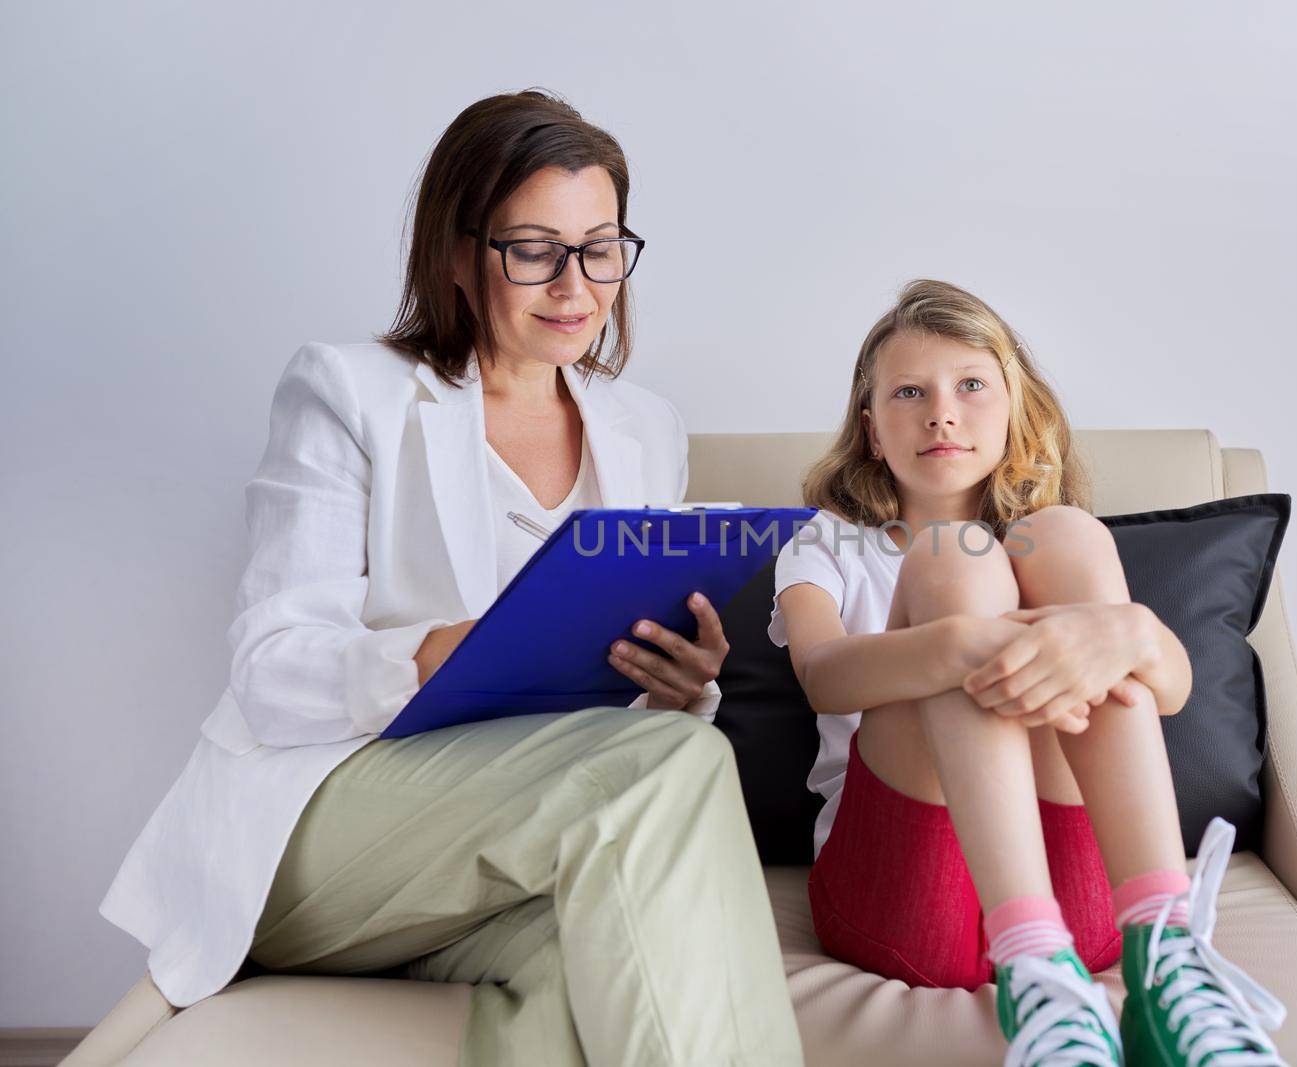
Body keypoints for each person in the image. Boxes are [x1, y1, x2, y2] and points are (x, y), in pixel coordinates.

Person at [97, 88, 805, 1067]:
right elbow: (272, 667)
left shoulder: (644, 426)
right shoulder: (351, 391)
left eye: (600, 246)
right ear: (458, 254)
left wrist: (681, 683)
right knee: (682, 763)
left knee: (612, 963)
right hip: (328, 826)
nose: (576, 284)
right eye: (534, 249)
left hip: (509, 840)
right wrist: (437, 651)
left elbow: (616, 744)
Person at [767, 279, 1288, 1066]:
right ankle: (1032, 960)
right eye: (910, 392)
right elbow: (824, 676)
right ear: (873, 431)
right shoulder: (827, 544)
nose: (942, 411)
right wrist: (955, 646)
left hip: (1089, 903)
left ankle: (1169, 954)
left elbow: (1173, 688)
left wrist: (1132, 630)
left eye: (971, 386)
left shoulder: (1050, 546)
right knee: (955, 559)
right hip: (904, 894)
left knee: (1067, 535)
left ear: (1012, 405)